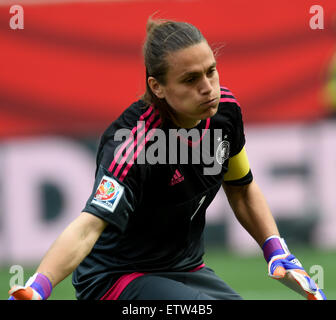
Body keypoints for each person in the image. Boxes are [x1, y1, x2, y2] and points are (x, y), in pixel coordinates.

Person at [9, 16, 326, 301]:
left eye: (211, 72)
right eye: (190, 80)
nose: (208, 88)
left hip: (185, 268)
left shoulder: (225, 112)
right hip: (116, 279)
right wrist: (38, 288)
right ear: (157, 86)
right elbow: (87, 227)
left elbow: (242, 187)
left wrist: (276, 250)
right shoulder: (132, 143)